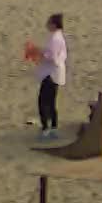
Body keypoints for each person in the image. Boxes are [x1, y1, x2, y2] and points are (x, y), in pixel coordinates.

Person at [30, 13, 68, 141]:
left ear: (53, 24)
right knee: (51, 102)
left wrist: (38, 52)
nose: (47, 24)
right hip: (55, 74)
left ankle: (46, 129)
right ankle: (53, 128)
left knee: (44, 102)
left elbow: (52, 57)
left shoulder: (55, 39)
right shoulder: (58, 37)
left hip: (51, 74)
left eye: (49, 22)